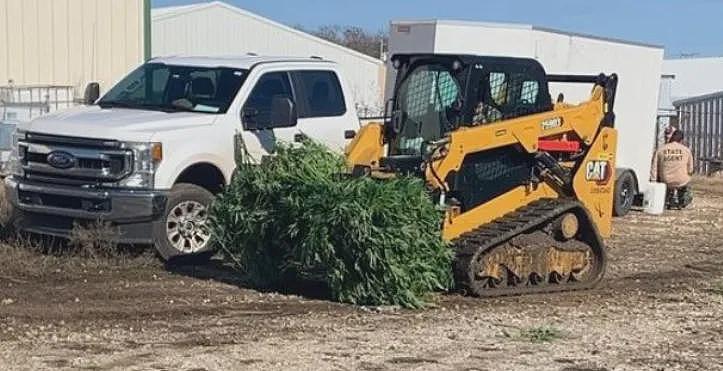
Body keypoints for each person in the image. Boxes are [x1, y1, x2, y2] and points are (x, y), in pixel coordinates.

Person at [650, 130, 694, 209]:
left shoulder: (660, 149)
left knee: (665, 182)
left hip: (665, 181)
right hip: (682, 181)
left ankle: (665, 200)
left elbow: (654, 168)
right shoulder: (687, 150)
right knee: (687, 183)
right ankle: (683, 202)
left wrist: (654, 182)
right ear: (681, 140)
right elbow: (690, 170)